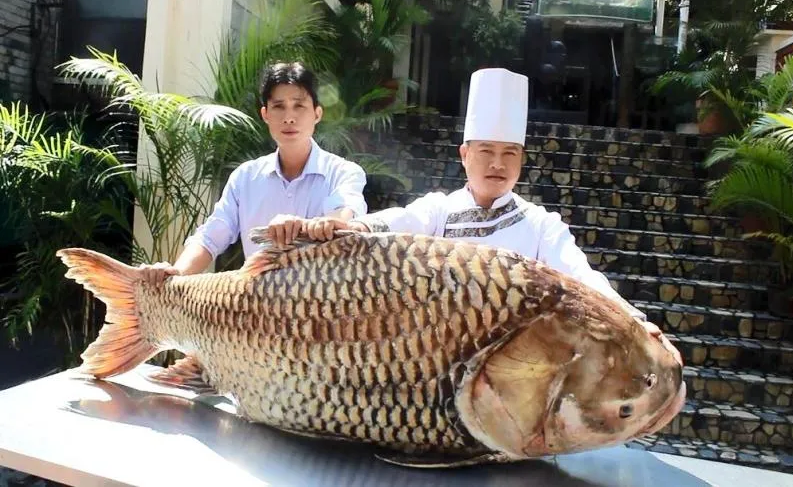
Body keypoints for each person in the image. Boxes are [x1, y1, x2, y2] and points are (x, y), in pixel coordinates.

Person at [274, 67, 682, 365]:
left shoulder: (541, 225)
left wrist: (633, 322)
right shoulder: (439, 209)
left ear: (521, 160)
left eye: (509, 154)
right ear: (465, 155)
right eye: (486, 151)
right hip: (432, 361)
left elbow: (582, 277)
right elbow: (397, 222)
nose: (497, 164)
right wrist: (350, 226)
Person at [138, 61, 368, 284]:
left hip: (319, 305)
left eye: (299, 106)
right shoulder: (245, 178)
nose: (289, 117)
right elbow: (210, 237)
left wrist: (309, 226)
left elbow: (344, 217)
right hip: (254, 306)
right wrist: (176, 272)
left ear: (317, 114)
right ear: (265, 114)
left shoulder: (344, 172)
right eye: (279, 106)